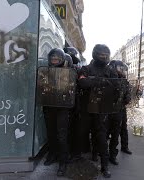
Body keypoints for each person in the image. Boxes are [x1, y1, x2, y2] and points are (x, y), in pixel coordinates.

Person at [78, 44, 118, 178]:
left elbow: (117, 86)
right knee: (82, 134)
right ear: (96, 54)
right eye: (102, 55)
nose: (104, 57)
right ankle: (79, 161)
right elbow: (82, 83)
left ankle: (105, 166)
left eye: (106, 55)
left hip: (102, 109)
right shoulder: (86, 68)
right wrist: (99, 81)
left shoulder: (111, 70)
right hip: (87, 109)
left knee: (102, 138)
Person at [42, 48, 72, 176]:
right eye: (52, 58)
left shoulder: (70, 71)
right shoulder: (46, 71)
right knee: (51, 132)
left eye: (57, 59)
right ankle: (52, 155)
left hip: (62, 108)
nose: (54, 60)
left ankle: (63, 161)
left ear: (62, 60)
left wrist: (67, 71)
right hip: (49, 105)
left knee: (62, 135)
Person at [106, 60, 132, 165]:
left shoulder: (124, 80)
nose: (123, 71)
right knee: (105, 132)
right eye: (121, 69)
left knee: (120, 130)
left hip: (120, 109)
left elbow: (127, 95)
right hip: (107, 110)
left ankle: (114, 153)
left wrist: (127, 97)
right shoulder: (107, 78)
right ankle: (101, 152)